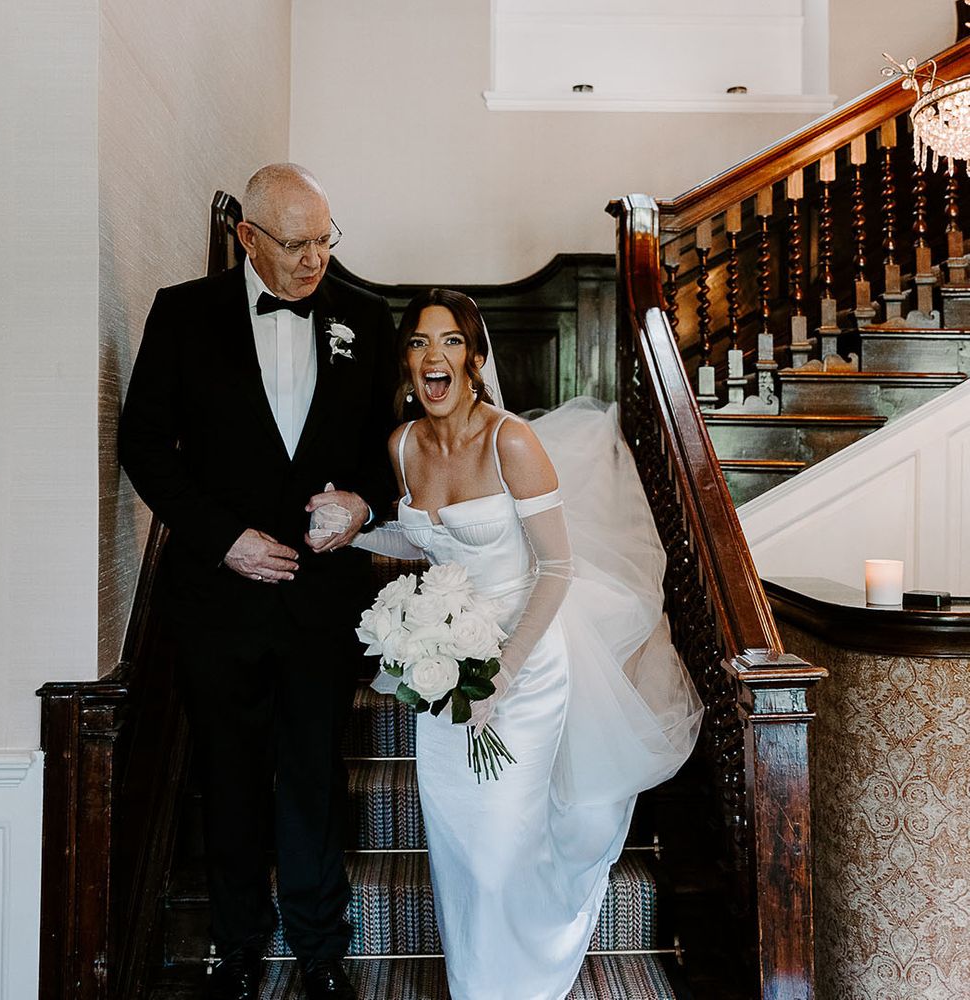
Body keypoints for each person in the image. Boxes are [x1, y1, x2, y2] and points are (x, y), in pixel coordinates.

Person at [345, 288, 703, 1000]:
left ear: (475, 360)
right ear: (406, 364)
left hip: (527, 662)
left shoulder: (511, 439)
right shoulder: (403, 444)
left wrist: (504, 672)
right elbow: (423, 539)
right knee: (460, 850)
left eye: (449, 342)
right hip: (444, 664)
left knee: (501, 847)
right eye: (418, 344)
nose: (432, 357)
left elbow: (557, 566)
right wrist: (351, 531)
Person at [118, 163, 396, 1000]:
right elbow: (142, 446)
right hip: (218, 599)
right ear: (247, 237)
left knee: (314, 773)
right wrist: (222, 539)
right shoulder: (182, 315)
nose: (316, 260)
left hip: (321, 598)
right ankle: (237, 948)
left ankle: (321, 953)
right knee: (227, 775)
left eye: (325, 239)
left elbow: (393, 454)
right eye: (297, 243)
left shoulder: (366, 320)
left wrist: (362, 503)